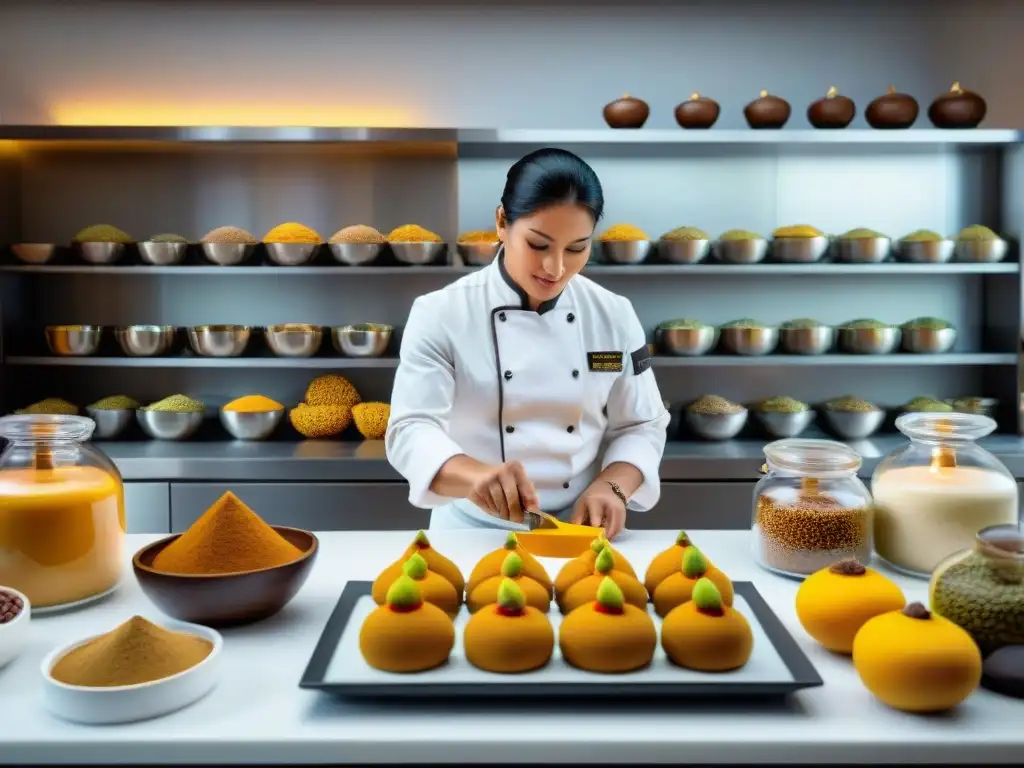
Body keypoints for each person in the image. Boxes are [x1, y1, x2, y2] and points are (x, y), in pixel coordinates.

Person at [385, 148, 669, 539]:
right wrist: (474, 476)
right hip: (470, 533)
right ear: (502, 222)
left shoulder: (613, 315)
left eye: (576, 249)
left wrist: (613, 486)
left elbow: (643, 424)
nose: (556, 268)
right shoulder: (441, 313)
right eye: (538, 245)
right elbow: (410, 428)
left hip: (581, 531)